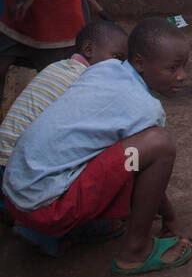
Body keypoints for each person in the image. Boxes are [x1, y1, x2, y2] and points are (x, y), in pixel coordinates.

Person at [1, 18, 192, 271]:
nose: (182, 76)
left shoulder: (105, 69)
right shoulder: (146, 109)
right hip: (45, 208)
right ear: (140, 62)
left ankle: (61, 231)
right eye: (173, 68)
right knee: (159, 143)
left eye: (184, 67)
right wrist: (172, 220)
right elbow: (146, 164)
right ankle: (135, 253)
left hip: (14, 193)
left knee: (124, 150)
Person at [0, 20, 128, 172]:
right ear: (88, 50)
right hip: (18, 166)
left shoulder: (59, 67)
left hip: (7, 155)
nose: (120, 67)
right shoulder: (84, 80)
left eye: (124, 62)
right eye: (116, 57)